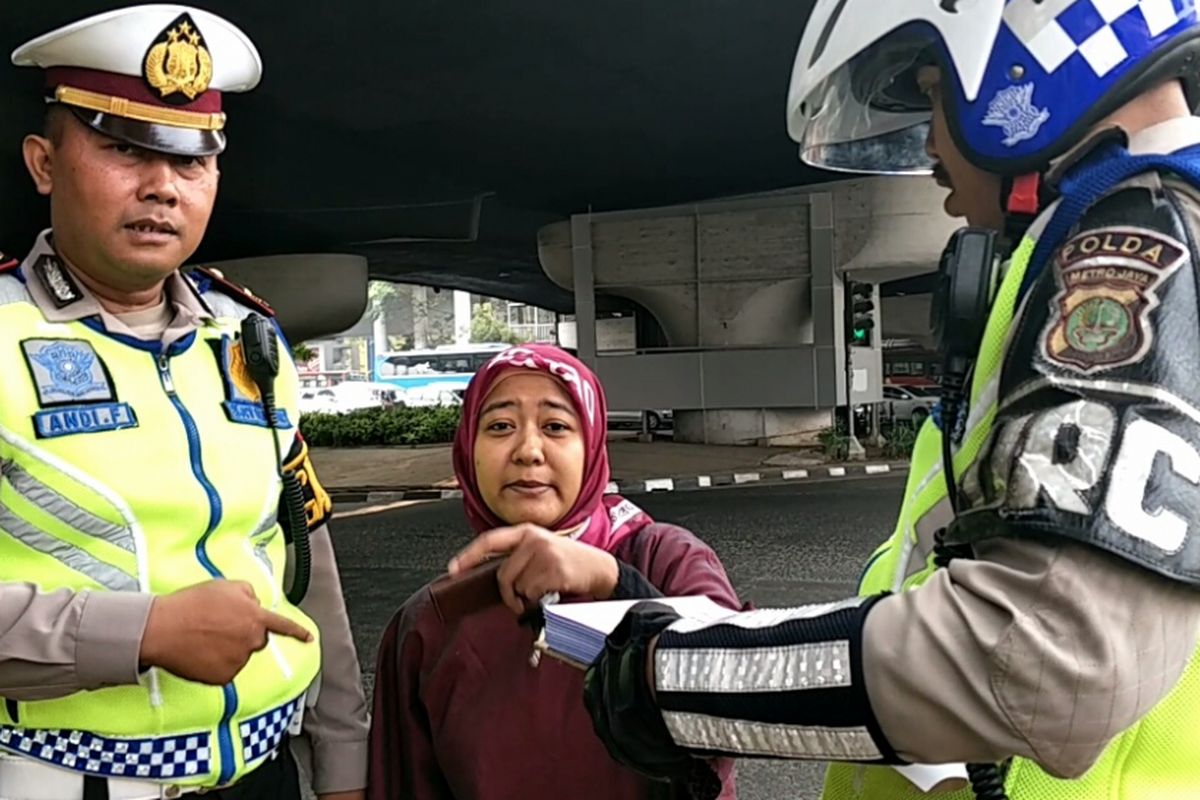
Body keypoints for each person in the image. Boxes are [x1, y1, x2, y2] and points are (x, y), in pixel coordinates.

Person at [556, 2, 1200, 799]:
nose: (931, 142)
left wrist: (676, 679)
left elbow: (1043, 664)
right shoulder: (1113, 238)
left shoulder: (1142, 255)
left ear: (1020, 57)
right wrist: (667, 628)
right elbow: (944, 589)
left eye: (932, 92)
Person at [0, 6, 368, 800]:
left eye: (190, 159)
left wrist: (345, 760)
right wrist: (143, 634)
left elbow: (307, 560)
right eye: (123, 148)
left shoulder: (249, 337)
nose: (162, 186)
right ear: (43, 163)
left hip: (266, 777)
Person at [368, 344, 741, 800]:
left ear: (591, 445)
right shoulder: (430, 624)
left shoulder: (665, 560)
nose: (528, 450)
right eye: (500, 426)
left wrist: (613, 582)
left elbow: (740, 695)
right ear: (468, 449)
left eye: (556, 427)